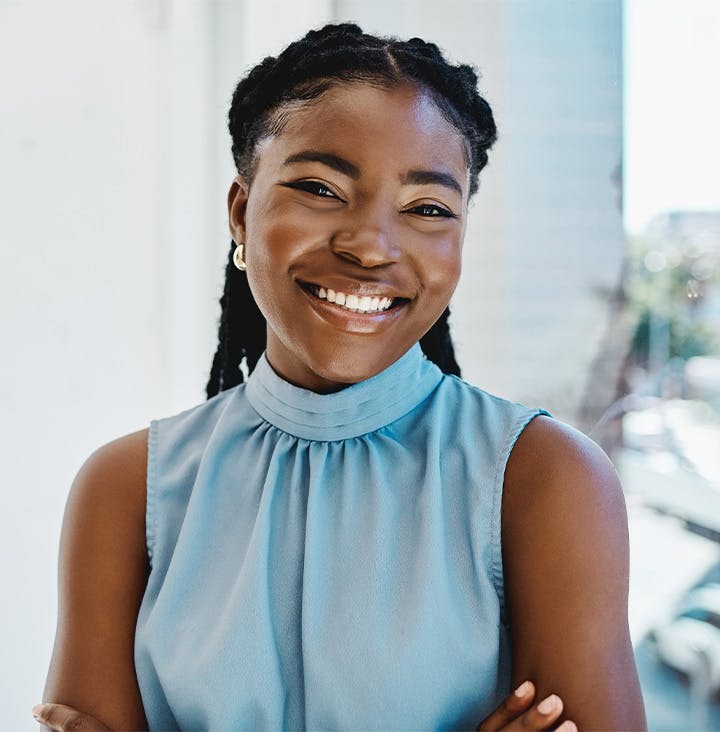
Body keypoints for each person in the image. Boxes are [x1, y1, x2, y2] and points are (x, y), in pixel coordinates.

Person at [34, 23, 646, 731]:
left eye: (427, 208)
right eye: (322, 188)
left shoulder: (543, 480)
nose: (371, 246)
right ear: (241, 211)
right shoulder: (124, 490)